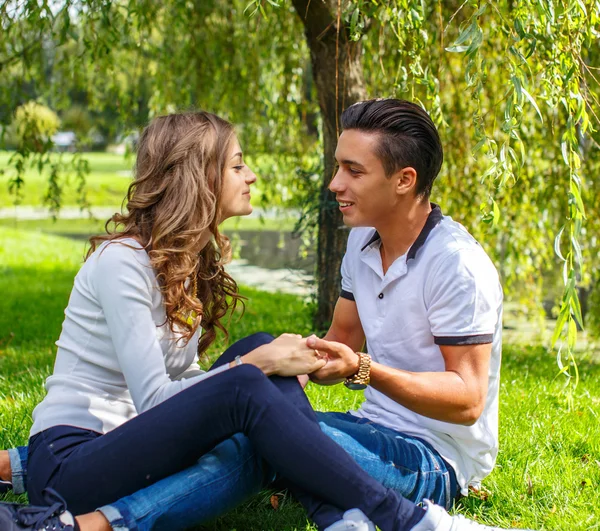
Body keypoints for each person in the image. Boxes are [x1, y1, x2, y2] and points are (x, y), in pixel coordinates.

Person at [0, 106, 531, 531]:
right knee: (259, 399)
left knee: (265, 423)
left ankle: (89, 521)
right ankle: (402, 521)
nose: (333, 183)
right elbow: (332, 343)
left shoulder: (456, 264)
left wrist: (338, 369)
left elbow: (467, 400)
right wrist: (268, 367)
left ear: (403, 180)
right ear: (198, 178)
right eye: (237, 165)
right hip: (82, 457)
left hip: (431, 455)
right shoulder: (127, 261)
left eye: (352, 170)